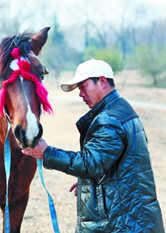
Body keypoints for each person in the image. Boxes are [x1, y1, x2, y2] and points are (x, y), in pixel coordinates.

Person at [22, 59, 164, 232]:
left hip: (122, 224)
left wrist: (47, 153)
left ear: (102, 81)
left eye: (83, 87)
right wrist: (91, 181)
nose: (80, 94)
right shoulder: (121, 108)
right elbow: (123, 162)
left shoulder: (109, 119)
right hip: (132, 219)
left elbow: (91, 164)